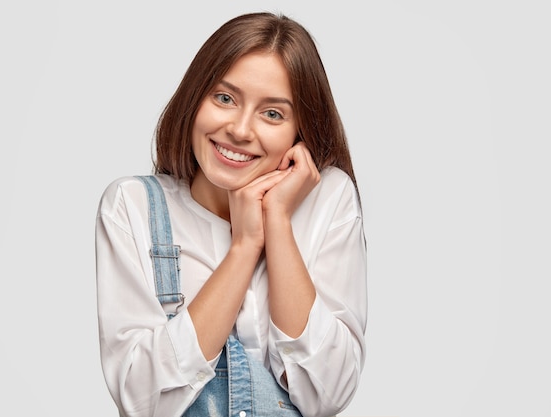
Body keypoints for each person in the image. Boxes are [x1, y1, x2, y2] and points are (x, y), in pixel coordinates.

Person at [95, 12, 367, 417]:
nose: (240, 130)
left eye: (272, 113)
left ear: (300, 132)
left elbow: (327, 395)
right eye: (224, 98)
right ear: (195, 98)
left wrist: (277, 222)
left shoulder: (328, 199)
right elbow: (142, 400)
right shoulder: (132, 206)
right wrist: (244, 246)